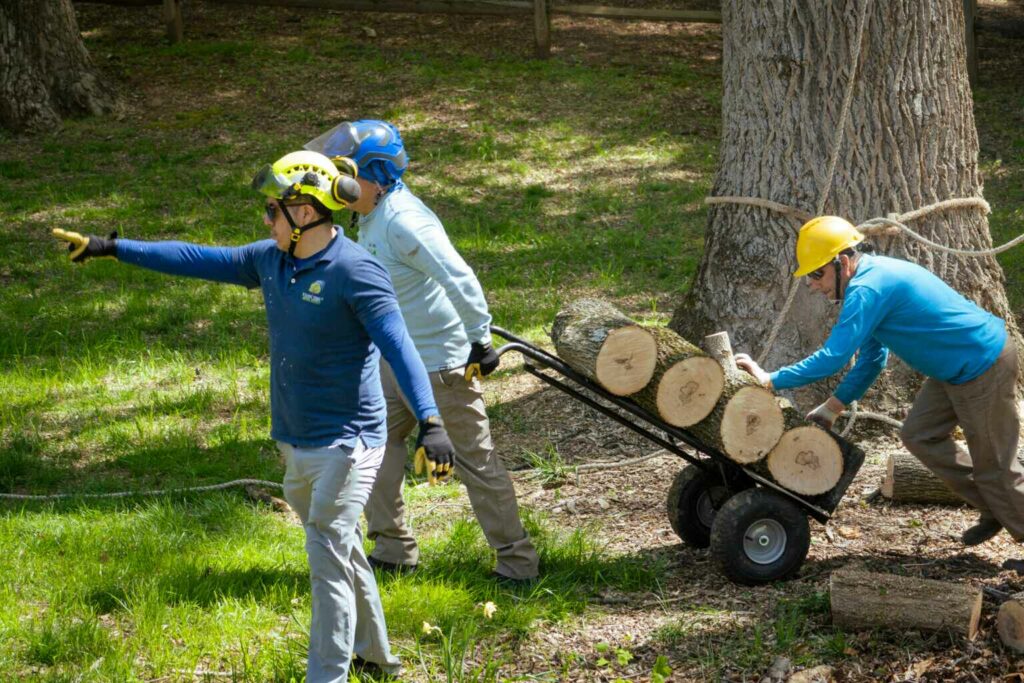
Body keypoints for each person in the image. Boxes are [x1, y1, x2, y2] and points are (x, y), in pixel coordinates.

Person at [52, 150, 457, 683]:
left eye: (273, 210)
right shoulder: (272, 260)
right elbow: (197, 258)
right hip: (295, 438)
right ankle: (377, 657)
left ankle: (327, 675)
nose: (265, 219)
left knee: (326, 557)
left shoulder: (358, 273)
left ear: (305, 214)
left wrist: (431, 422)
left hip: (348, 444)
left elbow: (401, 348)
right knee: (342, 548)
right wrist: (113, 248)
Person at [305, 120, 540, 582]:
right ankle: (393, 549)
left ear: (373, 175)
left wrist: (480, 337)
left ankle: (517, 563)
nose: (338, 185)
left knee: (475, 462)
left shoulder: (403, 221)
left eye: (344, 174)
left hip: (441, 367)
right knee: (372, 446)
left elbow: (458, 274)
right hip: (396, 361)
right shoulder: (372, 213)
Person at [734, 215, 1024, 547]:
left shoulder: (867, 288)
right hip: (954, 368)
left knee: (996, 469)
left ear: (842, 262)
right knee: (919, 435)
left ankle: (1010, 512)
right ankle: (997, 508)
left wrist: (772, 380)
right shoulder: (871, 280)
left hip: (981, 364)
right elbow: (873, 358)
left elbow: (834, 357)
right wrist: (833, 407)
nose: (813, 284)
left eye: (817, 273)